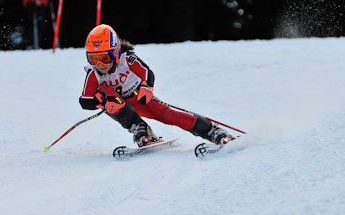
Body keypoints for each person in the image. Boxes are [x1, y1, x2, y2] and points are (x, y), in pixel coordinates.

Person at [79, 24, 234, 147]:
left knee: (169, 115)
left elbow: (147, 72)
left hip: (139, 98)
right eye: (93, 60)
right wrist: (101, 101)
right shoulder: (94, 73)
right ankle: (140, 129)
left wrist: (146, 88)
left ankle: (211, 130)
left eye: (104, 58)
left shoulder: (127, 60)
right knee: (106, 94)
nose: (100, 65)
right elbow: (85, 100)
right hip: (119, 106)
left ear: (115, 51)